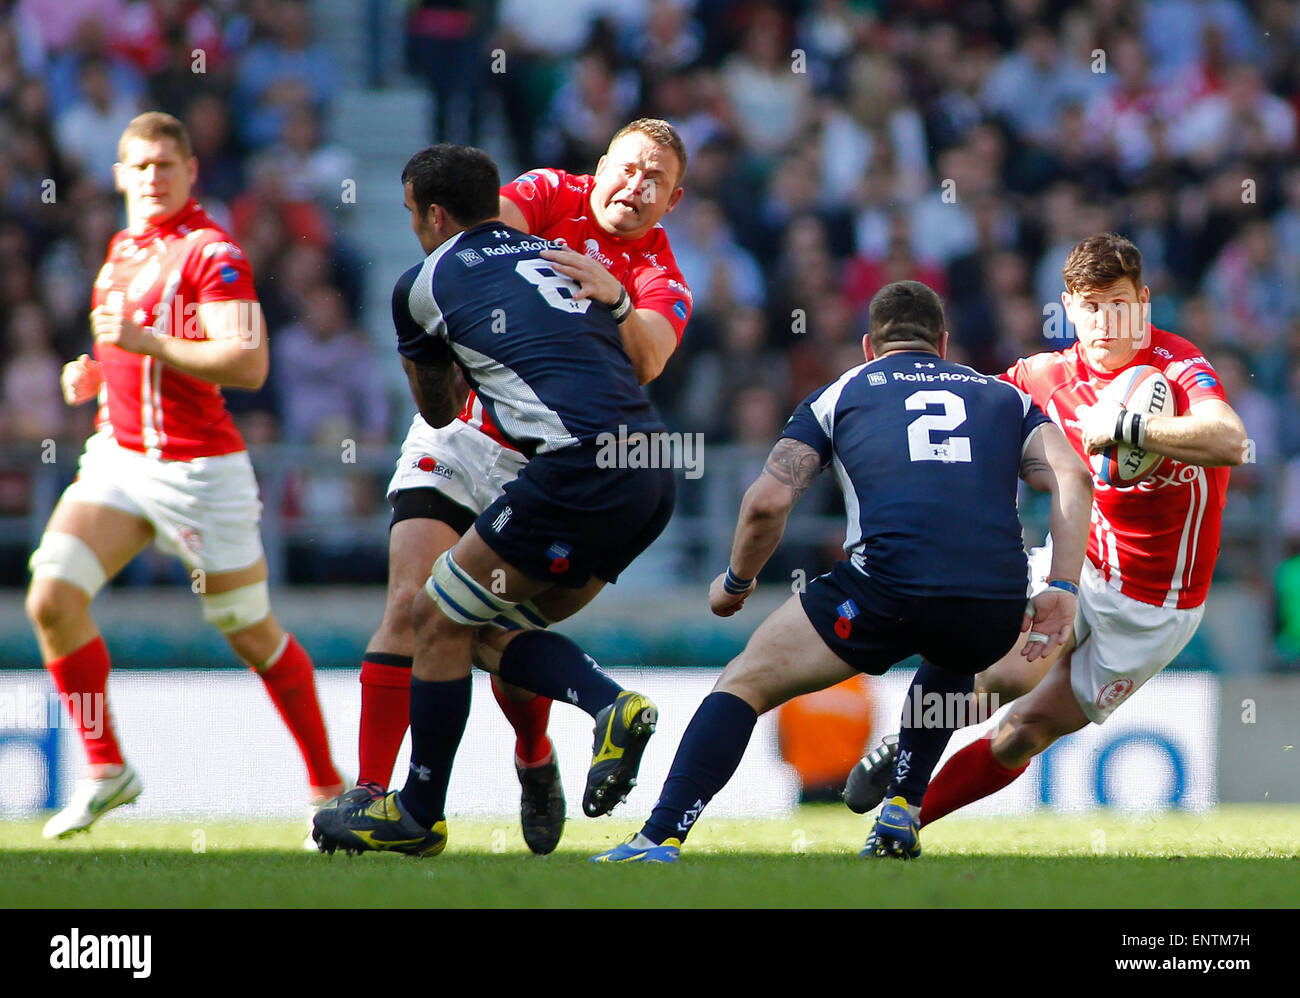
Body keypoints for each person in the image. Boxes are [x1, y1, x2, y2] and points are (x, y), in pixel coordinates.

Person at [590, 279, 1094, 863]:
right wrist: (1061, 586)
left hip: (885, 589)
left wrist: (737, 582)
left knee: (744, 683)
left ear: (868, 347)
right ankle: (902, 808)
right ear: (945, 343)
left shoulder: (841, 393)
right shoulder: (1003, 397)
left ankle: (660, 837)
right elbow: (1073, 478)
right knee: (955, 649)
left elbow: (767, 503)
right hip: (994, 601)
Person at [312, 144, 678, 858]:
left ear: (432, 215)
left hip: (558, 463)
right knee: (453, 616)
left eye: (657, 178)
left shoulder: (426, 280)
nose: (636, 185)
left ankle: (428, 809)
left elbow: (441, 401)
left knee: (441, 617)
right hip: (643, 468)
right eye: (628, 166)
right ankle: (381, 791)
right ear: (601, 165)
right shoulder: (547, 209)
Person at [844, 233, 1247, 850]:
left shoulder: (1178, 365)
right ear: (1069, 307)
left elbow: (1228, 440)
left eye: (1119, 303)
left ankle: (915, 802)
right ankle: (900, 808)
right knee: (1001, 673)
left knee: (1023, 733)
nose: (1106, 322)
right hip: (1079, 563)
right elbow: (964, 406)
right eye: (1090, 306)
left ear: (1143, 300)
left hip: (1156, 606)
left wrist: (1132, 427)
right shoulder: (1046, 374)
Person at [28, 111, 343, 839]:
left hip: (200, 471)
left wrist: (144, 342)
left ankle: (329, 788)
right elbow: (124, 351)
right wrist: (94, 374)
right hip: (119, 457)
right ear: (119, 175)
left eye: (166, 166)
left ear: (190, 172)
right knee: (51, 597)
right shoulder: (123, 248)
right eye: (139, 167)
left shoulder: (213, 252)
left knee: (250, 633)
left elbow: (248, 361)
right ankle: (109, 770)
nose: (152, 178)